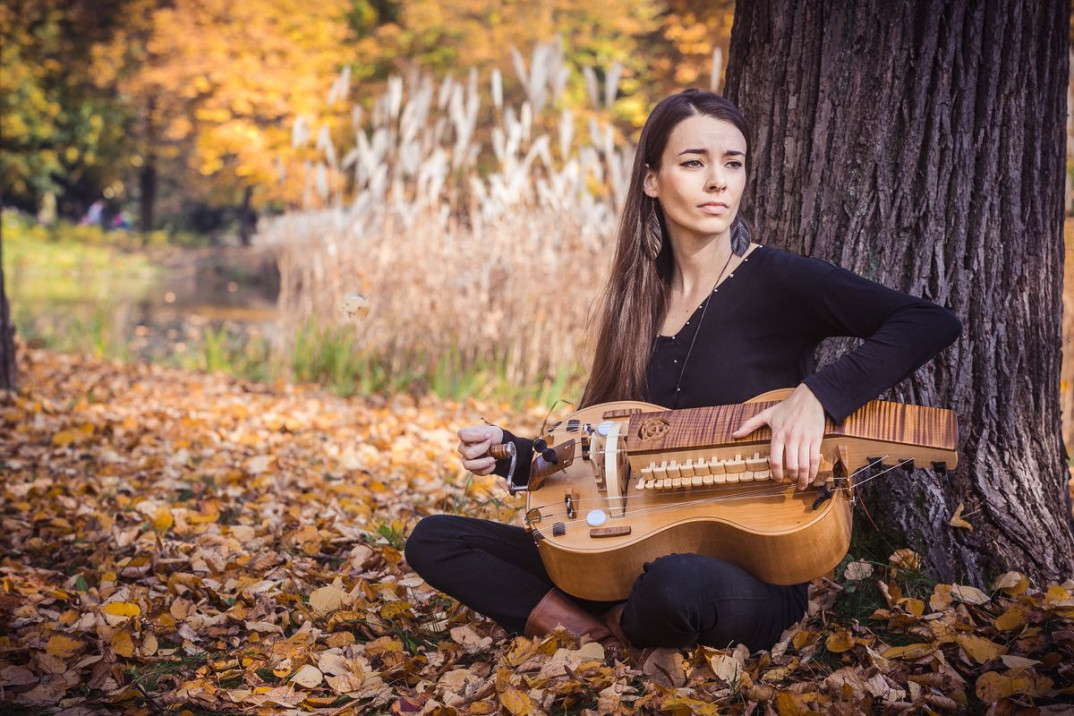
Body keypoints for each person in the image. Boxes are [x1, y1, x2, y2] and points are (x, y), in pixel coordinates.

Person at [404, 89, 961, 659]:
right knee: (436, 540)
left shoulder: (780, 280)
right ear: (651, 180)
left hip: (742, 574)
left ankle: (618, 623)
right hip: (620, 554)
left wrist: (818, 397)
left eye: (733, 163)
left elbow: (928, 321)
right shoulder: (636, 300)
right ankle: (588, 631)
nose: (718, 181)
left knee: (675, 586)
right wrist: (515, 455)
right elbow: (605, 443)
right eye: (694, 162)